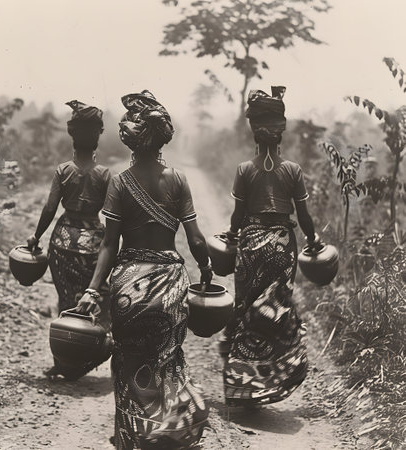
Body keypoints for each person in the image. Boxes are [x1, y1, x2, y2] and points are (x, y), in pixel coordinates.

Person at [77, 90, 211, 449]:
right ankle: (169, 429)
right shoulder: (179, 180)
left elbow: (109, 245)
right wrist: (207, 270)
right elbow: (196, 239)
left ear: (132, 139)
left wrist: (93, 290)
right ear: (162, 136)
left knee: (128, 359)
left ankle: (131, 436)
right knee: (167, 358)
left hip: (128, 286)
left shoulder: (120, 183)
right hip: (170, 283)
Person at [221, 86, 320, 407]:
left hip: (250, 244)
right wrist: (315, 241)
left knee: (246, 307)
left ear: (255, 133)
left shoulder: (244, 170)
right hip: (282, 247)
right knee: (275, 308)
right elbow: (303, 215)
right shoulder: (292, 170)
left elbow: (237, 215)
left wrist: (232, 235)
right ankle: (274, 377)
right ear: (281, 133)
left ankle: (243, 385)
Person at [26, 100, 112, 381]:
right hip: (93, 243)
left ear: (71, 135)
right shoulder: (105, 175)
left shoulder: (63, 170)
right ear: (98, 135)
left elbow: (50, 209)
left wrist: (36, 236)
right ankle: (93, 350)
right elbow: (112, 219)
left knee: (64, 300)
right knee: (95, 299)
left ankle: (64, 362)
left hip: (62, 241)